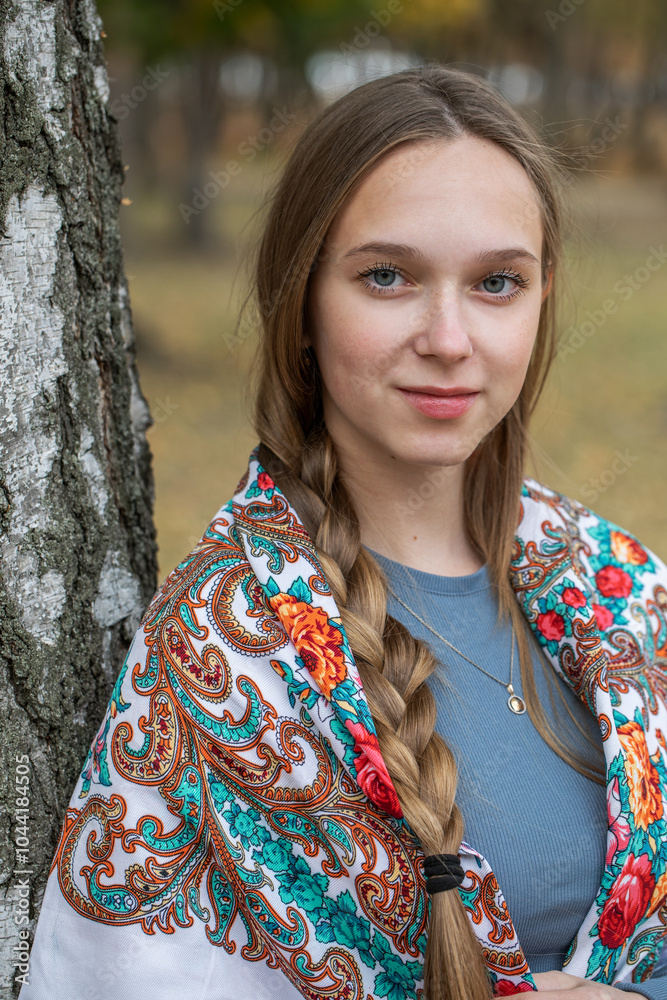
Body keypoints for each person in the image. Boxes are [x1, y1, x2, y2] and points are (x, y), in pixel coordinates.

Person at [21, 65, 667, 1000]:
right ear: (304, 304)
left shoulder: (621, 586)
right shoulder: (222, 651)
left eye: (495, 282)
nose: (449, 337)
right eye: (387, 276)